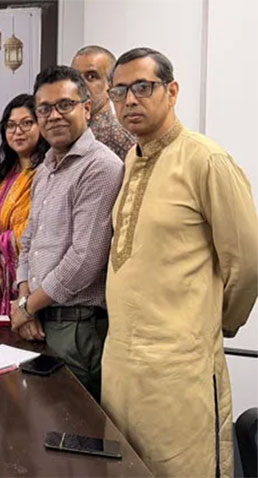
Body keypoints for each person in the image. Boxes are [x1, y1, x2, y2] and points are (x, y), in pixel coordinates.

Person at [103, 47, 257, 478]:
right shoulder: (131, 159)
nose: (129, 100)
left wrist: (215, 324)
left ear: (171, 92)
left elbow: (248, 262)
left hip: (179, 371)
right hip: (121, 368)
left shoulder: (206, 160)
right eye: (119, 91)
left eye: (142, 87)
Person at [10, 65, 123, 402]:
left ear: (86, 108)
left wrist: (28, 306)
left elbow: (85, 259)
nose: (54, 116)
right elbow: (29, 240)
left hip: (77, 327)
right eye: (45, 108)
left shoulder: (100, 166)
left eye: (64, 105)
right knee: (38, 418)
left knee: (73, 426)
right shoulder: (45, 169)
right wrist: (25, 300)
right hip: (41, 319)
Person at [0, 94, 48, 317]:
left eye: (27, 123)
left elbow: (37, 230)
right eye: (11, 125)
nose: (18, 131)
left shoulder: (47, 172)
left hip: (30, 282)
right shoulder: (6, 174)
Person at [71, 45, 134, 160]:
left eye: (91, 77)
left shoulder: (119, 137)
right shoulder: (68, 130)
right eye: (75, 77)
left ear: (111, 87)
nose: (80, 85)